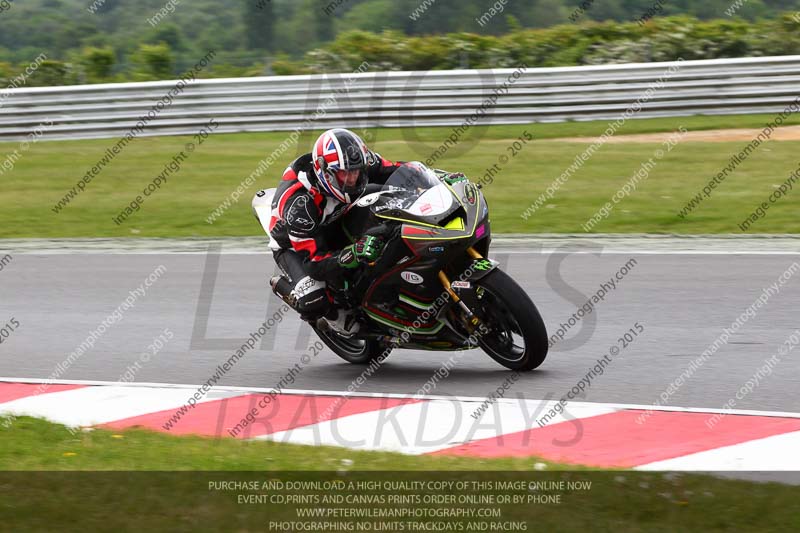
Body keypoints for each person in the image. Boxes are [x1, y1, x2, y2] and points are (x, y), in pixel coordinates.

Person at [265, 128, 402, 335]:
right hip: (295, 246)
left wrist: (439, 178)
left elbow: (396, 170)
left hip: (335, 217)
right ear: (325, 173)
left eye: (356, 171)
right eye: (345, 174)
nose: (353, 179)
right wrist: (353, 253)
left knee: (390, 198)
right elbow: (314, 264)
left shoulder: (355, 162)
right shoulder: (300, 206)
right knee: (313, 300)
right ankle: (318, 309)